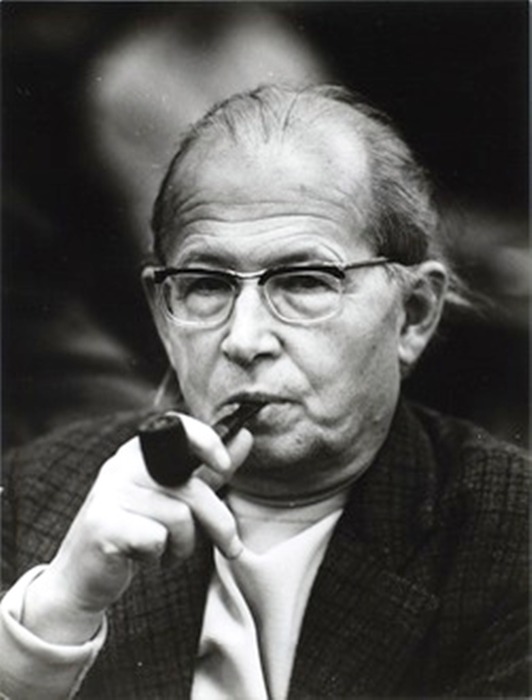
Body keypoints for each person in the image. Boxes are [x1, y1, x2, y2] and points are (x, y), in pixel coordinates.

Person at [1, 84, 528, 699]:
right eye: (206, 285)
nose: (244, 340)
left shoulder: (511, 536)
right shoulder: (32, 495)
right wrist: (54, 622)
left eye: (304, 282)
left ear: (412, 314)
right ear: (162, 314)